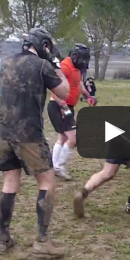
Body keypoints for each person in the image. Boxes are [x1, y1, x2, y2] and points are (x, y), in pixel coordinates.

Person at [0, 28, 70, 260]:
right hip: (30, 135)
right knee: (47, 181)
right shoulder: (41, 66)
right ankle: (42, 241)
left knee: (9, 184)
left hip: (4, 133)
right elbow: (64, 92)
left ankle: (3, 239)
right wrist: (56, 63)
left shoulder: (6, 63)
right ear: (42, 44)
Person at [48, 43, 96, 180]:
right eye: (83, 58)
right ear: (75, 56)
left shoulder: (77, 69)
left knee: (62, 138)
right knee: (73, 138)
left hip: (68, 106)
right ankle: (59, 167)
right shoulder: (65, 66)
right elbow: (52, 85)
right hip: (58, 106)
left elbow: (78, 84)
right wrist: (61, 104)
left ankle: (54, 166)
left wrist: (88, 95)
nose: (84, 62)